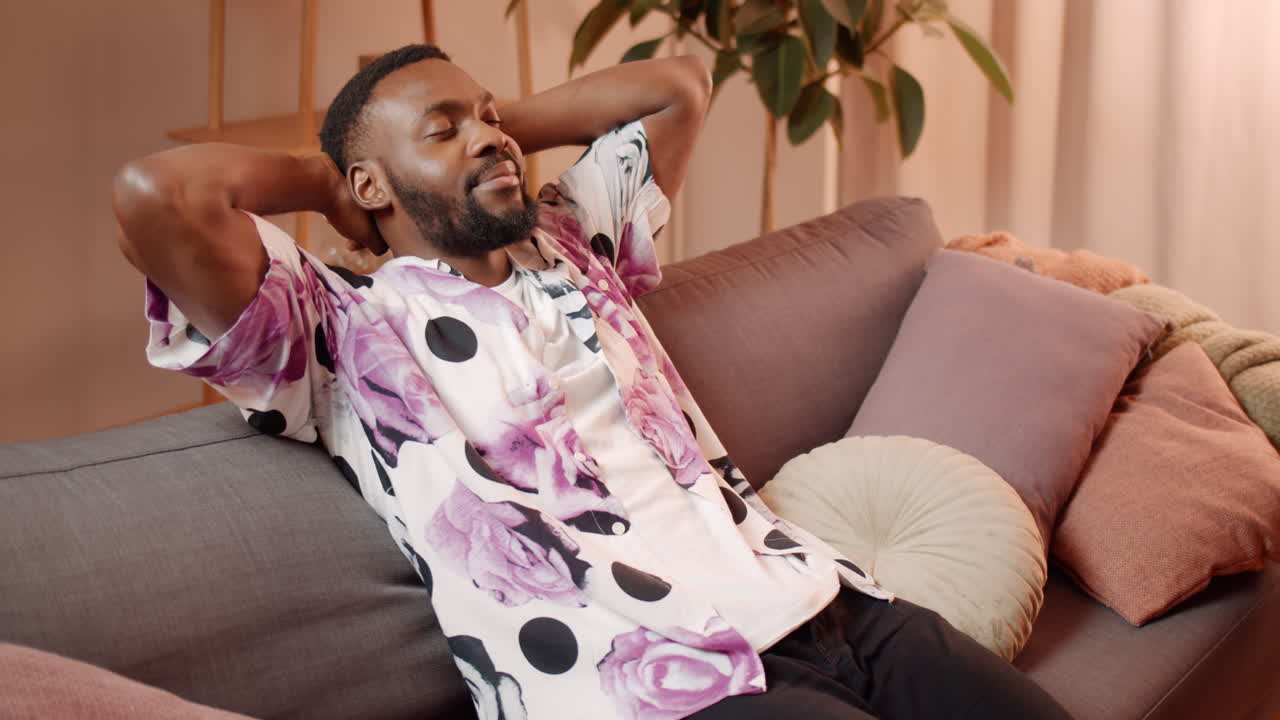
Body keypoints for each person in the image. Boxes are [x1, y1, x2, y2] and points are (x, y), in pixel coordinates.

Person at [112, 44, 1071, 720]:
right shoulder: (337, 330)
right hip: (651, 684)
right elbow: (158, 195)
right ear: (370, 186)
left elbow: (679, 87)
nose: (491, 138)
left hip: (828, 602)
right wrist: (331, 180)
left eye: (490, 118)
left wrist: (483, 129)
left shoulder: (571, 241)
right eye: (443, 130)